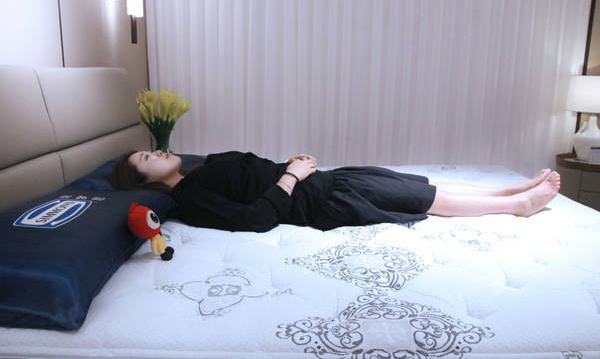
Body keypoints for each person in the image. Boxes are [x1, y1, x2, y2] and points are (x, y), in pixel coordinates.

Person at [109, 150, 561, 232]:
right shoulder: (190, 199)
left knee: (419, 184)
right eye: (147, 158)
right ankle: (519, 206)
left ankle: (508, 189)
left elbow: (251, 174)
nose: (157, 151)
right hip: (322, 200)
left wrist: (293, 164)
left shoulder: (201, 168)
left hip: (329, 179)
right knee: (428, 201)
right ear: (143, 182)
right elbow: (256, 219)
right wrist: (292, 176)